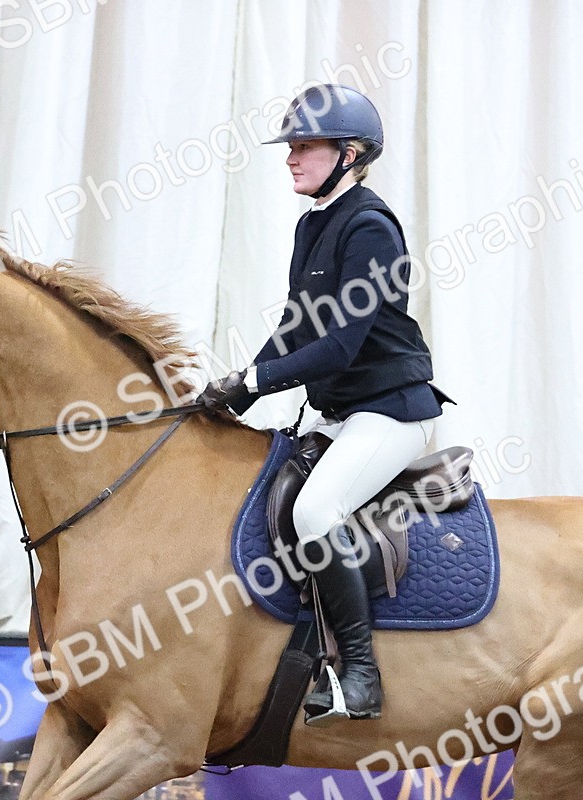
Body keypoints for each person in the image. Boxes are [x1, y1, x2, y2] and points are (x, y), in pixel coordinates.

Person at [198, 84, 453, 725]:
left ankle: (361, 675)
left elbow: (339, 346)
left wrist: (255, 381)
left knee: (316, 511)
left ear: (350, 153)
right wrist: (237, 386)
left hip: (391, 411)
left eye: (304, 146)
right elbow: (297, 325)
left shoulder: (370, 227)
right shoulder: (314, 222)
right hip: (340, 412)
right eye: (290, 146)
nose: (290, 157)